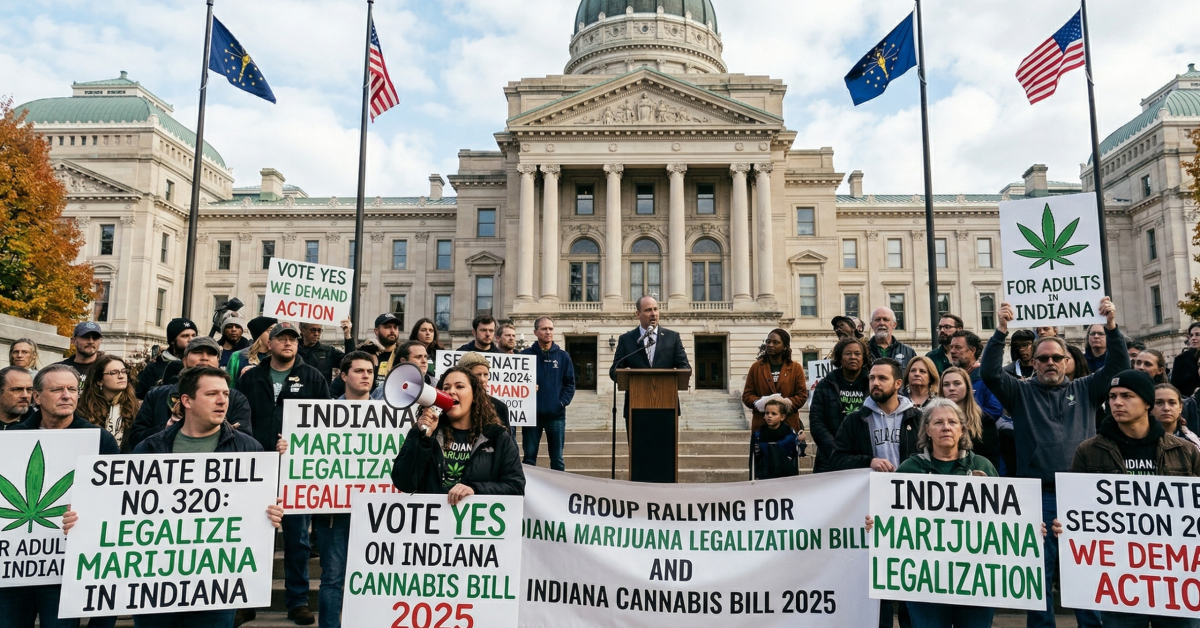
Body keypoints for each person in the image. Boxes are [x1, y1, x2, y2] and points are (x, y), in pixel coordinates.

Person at [61, 366, 283, 628]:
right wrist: (83, 522)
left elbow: (254, 513)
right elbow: (120, 507)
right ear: (186, 401)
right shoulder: (150, 448)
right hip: (153, 586)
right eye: (212, 394)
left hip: (215, 586)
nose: (223, 400)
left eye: (225, 393)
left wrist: (271, 514)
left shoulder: (248, 448)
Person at [981, 297, 1126, 628]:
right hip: (1039, 494)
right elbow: (989, 373)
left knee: (1086, 568)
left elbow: (1118, 368)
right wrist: (1001, 330)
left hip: (1082, 495)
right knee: (1039, 572)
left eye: (1056, 357)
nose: (1049, 362)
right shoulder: (1019, 393)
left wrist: (1112, 327)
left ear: (1066, 361)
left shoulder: (1085, 390)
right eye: (1042, 358)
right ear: (1033, 362)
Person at [1059, 370, 1200, 628]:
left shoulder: (1185, 450)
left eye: (1126, 396)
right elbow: (1077, 510)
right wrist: (1064, 525)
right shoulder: (1089, 451)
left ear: (1147, 402)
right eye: (1112, 397)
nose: (1117, 403)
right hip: (1119, 574)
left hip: (1175, 574)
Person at [3, 364, 118, 628]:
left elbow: (115, 503)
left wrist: (86, 519)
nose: (67, 395)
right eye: (57, 389)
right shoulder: (12, 438)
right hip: (14, 569)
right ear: (37, 397)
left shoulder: (99, 439)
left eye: (72, 389)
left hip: (66, 570)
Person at [868, 398, 998, 628]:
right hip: (925, 582)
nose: (946, 427)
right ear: (927, 430)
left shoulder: (983, 466)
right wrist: (876, 524)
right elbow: (890, 519)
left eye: (952, 422)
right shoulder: (910, 469)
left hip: (975, 580)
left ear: (962, 428)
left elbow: (1007, 520)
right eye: (938, 422)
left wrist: (1034, 527)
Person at [237, 321, 329, 626]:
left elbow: (325, 425)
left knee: (298, 539)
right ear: (269, 343)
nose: (287, 343)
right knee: (251, 535)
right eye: (281, 339)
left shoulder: (313, 377)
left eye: (292, 339)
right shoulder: (251, 377)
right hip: (257, 467)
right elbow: (237, 417)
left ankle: (298, 600)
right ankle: (246, 599)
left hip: (296, 470)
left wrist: (299, 444)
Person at [279, 351, 374, 628]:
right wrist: (288, 448)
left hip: (373, 511)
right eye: (358, 371)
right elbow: (303, 450)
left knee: (371, 577)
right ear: (343, 376)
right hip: (334, 510)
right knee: (333, 577)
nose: (365, 375)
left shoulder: (390, 414)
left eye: (369, 371)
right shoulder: (323, 413)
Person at [392, 366, 525, 502]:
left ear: (474, 396)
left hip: (477, 521)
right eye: (446, 388)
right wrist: (424, 439)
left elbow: (516, 486)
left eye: (460, 386)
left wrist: (475, 490)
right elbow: (404, 483)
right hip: (432, 520)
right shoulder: (422, 431)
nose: (451, 392)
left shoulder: (495, 435)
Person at [129, 336, 255, 450]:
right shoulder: (156, 396)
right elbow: (135, 440)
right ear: (184, 360)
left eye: (211, 354)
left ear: (218, 362)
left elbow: (243, 448)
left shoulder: (235, 399)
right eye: (197, 352)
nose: (204, 357)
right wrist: (167, 428)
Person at [608, 296, 690, 427]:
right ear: (638, 314)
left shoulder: (672, 337)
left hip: (667, 405)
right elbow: (614, 371)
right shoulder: (627, 339)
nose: (653, 314)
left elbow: (685, 367)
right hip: (635, 408)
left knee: (666, 447)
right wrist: (626, 375)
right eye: (648, 310)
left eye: (656, 309)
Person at [830, 357, 919, 472]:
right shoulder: (855, 420)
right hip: (870, 488)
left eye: (882, 378)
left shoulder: (917, 419)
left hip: (907, 488)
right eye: (872, 378)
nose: (875, 383)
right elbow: (837, 459)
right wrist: (869, 462)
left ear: (898, 384)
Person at [520, 316, 575, 471]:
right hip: (531, 416)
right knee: (529, 459)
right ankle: (527, 492)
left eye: (550, 329)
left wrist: (561, 403)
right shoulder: (524, 356)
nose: (548, 332)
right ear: (535, 332)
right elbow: (517, 385)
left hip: (556, 415)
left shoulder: (563, 356)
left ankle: (558, 493)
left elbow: (570, 384)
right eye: (544, 329)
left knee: (557, 460)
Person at [809, 336, 871, 473]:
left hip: (864, 457)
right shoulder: (825, 385)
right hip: (829, 458)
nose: (853, 357)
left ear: (864, 358)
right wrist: (835, 450)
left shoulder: (873, 385)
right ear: (840, 357)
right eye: (848, 353)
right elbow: (816, 422)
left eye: (857, 353)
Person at [743, 328, 809, 432]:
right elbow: (747, 396)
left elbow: (802, 396)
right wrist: (762, 402)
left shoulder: (795, 368)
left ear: (785, 346)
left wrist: (783, 404)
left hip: (788, 426)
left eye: (776, 342)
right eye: (768, 342)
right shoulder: (756, 367)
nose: (770, 345)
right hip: (762, 427)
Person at [938, 366, 1000, 470]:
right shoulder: (931, 419)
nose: (951, 388)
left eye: (957, 383)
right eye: (946, 384)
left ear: (967, 387)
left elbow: (991, 459)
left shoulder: (984, 420)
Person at [76, 355, 140, 452]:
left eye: (124, 371)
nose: (121, 376)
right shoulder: (82, 410)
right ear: (99, 381)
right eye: (113, 373)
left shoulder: (137, 408)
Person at [135, 317, 197, 399]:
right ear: (172, 341)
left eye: (194, 335)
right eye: (185, 336)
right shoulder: (154, 368)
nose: (191, 340)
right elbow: (141, 396)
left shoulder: (201, 364)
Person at [948, 330, 1003, 419]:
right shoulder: (949, 377)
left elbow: (994, 410)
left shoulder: (987, 378)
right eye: (951, 347)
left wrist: (964, 421)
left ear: (972, 351)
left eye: (958, 347)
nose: (952, 351)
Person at [455, 352, 511, 429]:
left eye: (485, 374)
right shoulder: (453, 405)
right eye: (478, 374)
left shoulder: (499, 407)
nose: (483, 379)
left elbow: (506, 439)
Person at [751, 398, 799, 479]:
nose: (769, 416)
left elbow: (797, 455)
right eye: (767, 413)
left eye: (774, 414)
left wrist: (801, 441)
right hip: (764, 476)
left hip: (786, 477)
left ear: (782, 417)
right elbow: (753, 460)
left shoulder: (790, 435)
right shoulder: (758, 435)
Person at [370, 340, 435, 399]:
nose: (424, 361)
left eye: (425, 357)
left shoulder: (436, 385)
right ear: (403, 361)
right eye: (418, 357)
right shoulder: (384, 390)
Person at [298, 319, 356, 383]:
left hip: (321, 392)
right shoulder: (293, 351)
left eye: (319, 330)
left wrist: (347, 335)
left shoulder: (328, 351)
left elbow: (349, 362)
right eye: (313, 330)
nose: (316, 334)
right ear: (303, 330)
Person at [227, 315, 276, 388]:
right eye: (271, 330)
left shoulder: (279, 356)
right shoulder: (237, 356)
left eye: (276, 330)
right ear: (259, 334)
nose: (275, 334)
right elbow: (230, 387)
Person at [1153, 384, 1200, 452]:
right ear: (1149, 407)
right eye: (1159, 402)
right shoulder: (1139, 438)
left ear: (1180, 407)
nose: (1166, 408)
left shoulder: (1193, 442)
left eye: (1172, 403)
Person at [370, 312, 403, 393]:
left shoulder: (403, 354)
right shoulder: (367, 353)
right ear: (376, 331)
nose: (392, 331)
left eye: (395, 327)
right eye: (387, 327)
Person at [1170, 321, 1200, 397]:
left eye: (1197, 334)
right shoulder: (1181, 359)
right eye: (1191, 335)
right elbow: (1176, 388)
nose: (1193, 338)